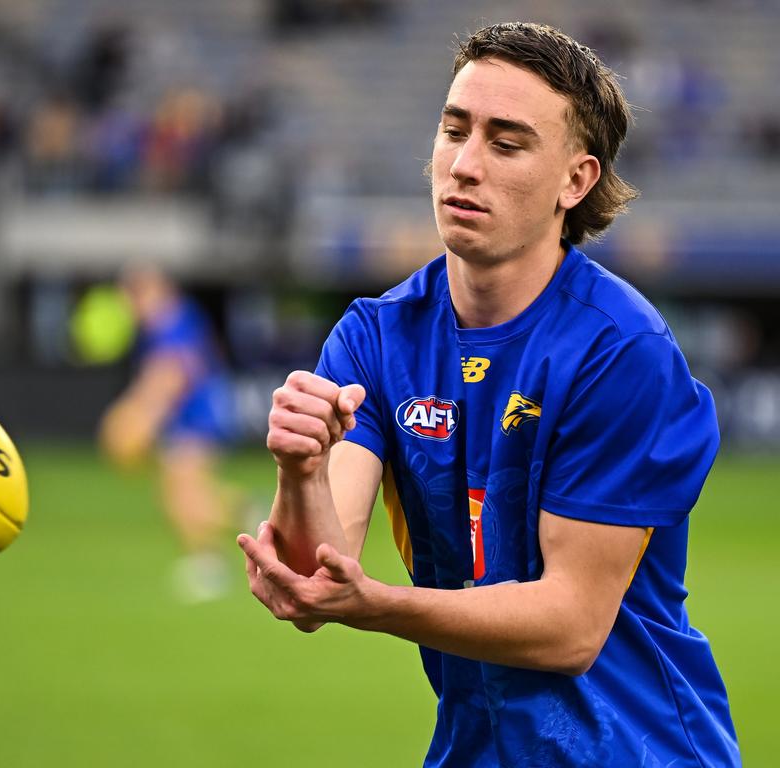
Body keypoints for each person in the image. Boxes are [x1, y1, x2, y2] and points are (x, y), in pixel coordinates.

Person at [237, 22, 740, 766]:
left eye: (506, 144)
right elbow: (319, 570)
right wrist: (299, 468)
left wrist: (375, 605)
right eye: (453, 130)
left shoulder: (619, 350)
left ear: (577, 180)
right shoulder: (376, 338)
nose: (464, 166)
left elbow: (568, 627)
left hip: (640, 751)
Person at [99, 265, 241, 602]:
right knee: (191, 488)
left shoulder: (168, 322)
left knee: (182, 490)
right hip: (198, 410)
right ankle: (257, 516)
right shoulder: (176, 318)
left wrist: (140, 417)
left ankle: (209, 565)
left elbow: (170, 375)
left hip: (196, 414)